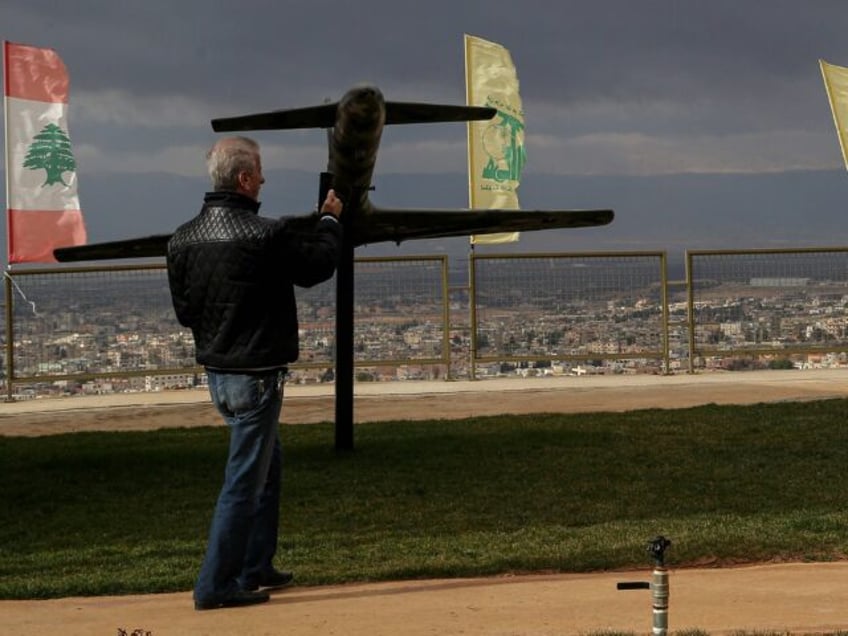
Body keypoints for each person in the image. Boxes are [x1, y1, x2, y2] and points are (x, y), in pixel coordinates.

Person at [167, 136, 343, 610]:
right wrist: (329, 220)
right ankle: (215, 584)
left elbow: (186, 314)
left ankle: (255, 565)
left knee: (267, 467)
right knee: (243, 481)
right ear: (244, 179)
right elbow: (316, 267)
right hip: (257, 373)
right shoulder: (265, 233)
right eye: (260, 171)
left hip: (219, 374)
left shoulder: (182, 239)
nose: (264, 178)